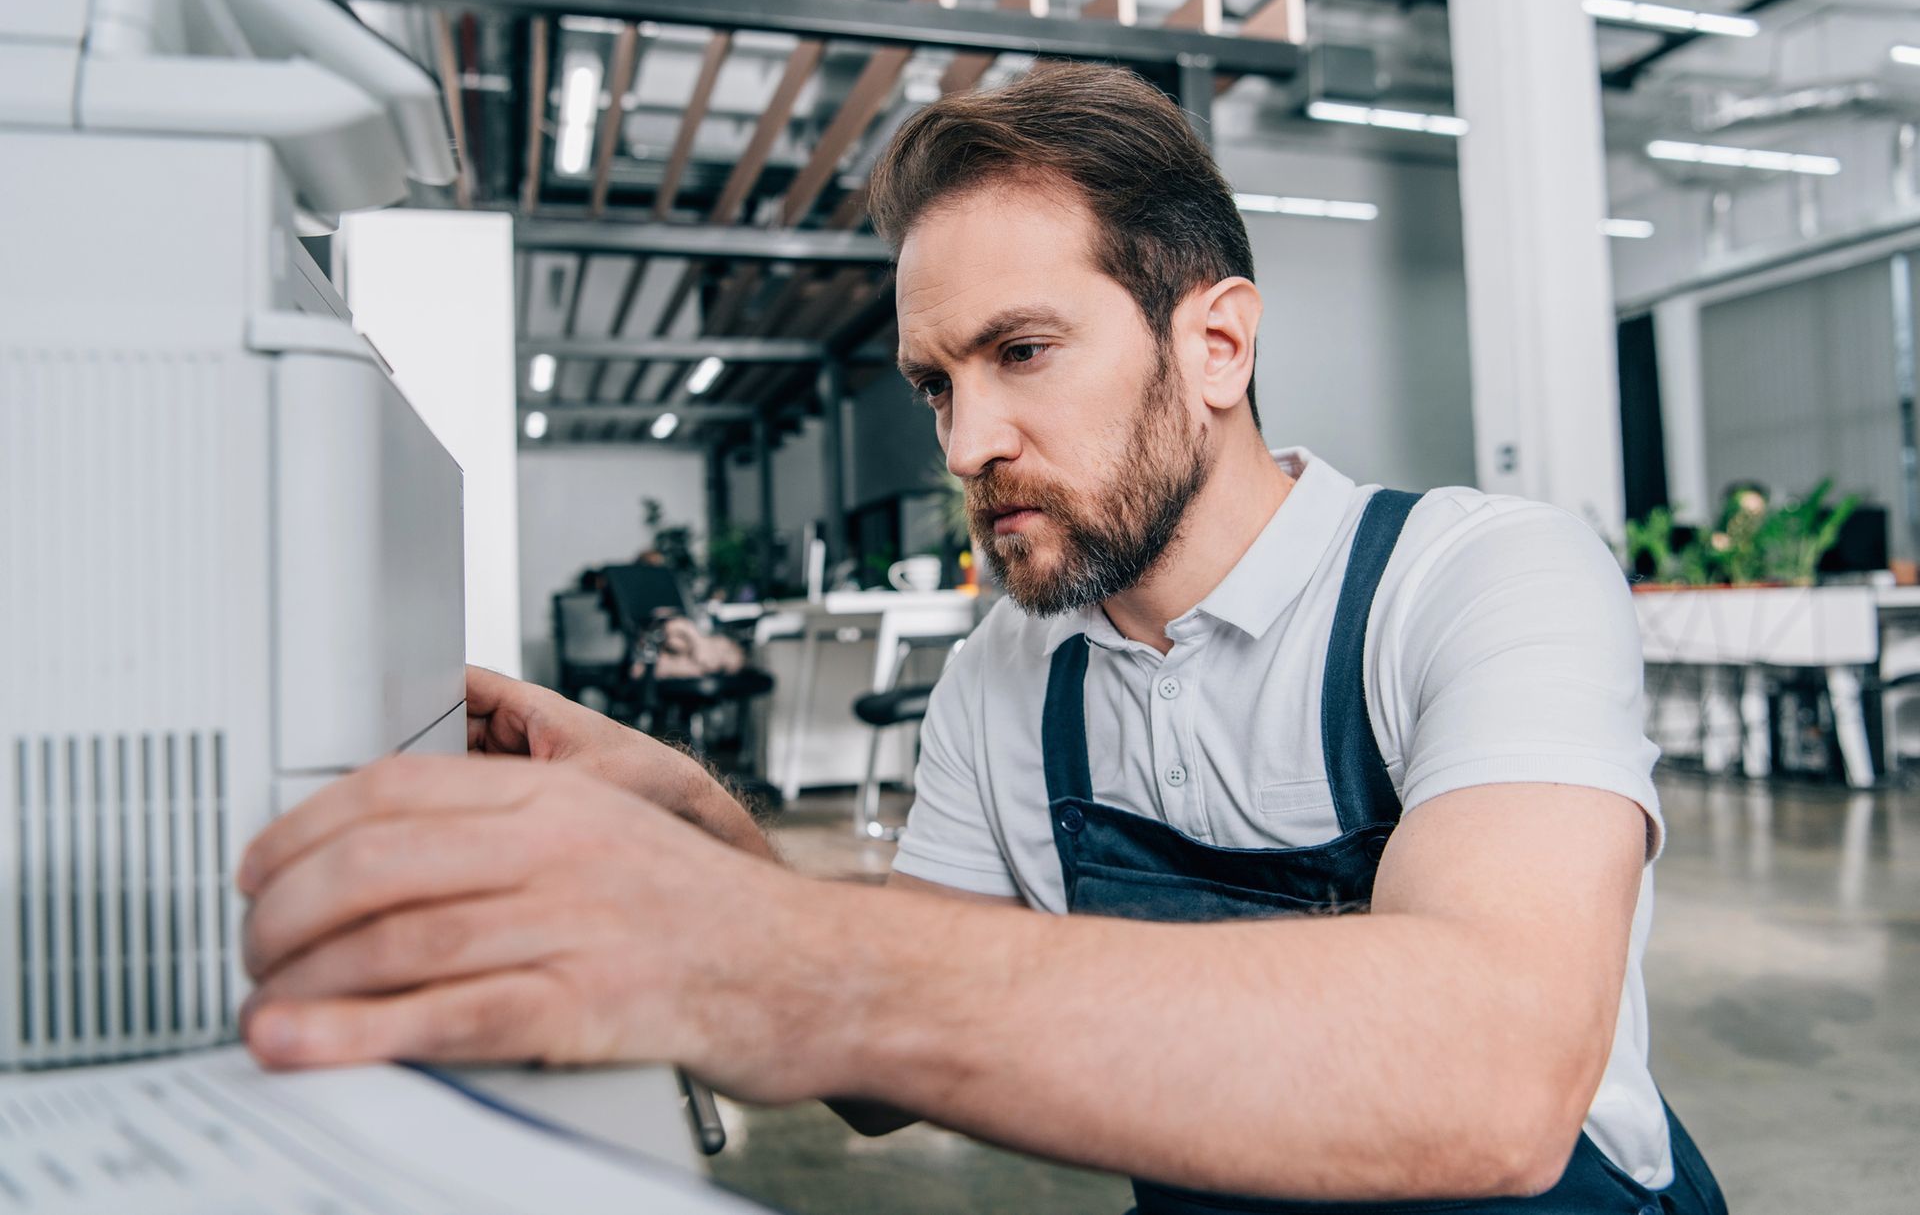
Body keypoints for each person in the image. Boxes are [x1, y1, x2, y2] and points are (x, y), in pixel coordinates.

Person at [236, 66, 1726, 1214]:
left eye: (1021, 352)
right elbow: (886, 1085)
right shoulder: (1011, 673)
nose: (969, 436)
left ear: (1216, 344)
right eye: (936, 383)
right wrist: (699, 832)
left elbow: (1494, 1071)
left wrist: (745, 947)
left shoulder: (1478, 576)